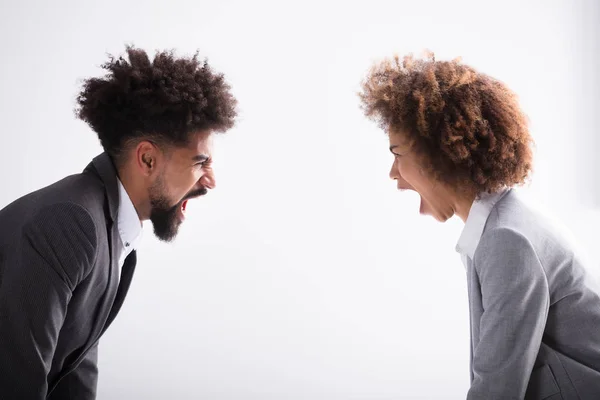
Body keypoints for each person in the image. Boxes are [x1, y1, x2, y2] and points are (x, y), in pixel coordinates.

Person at [0, 45, 237, 399]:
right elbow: (15, 384)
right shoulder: (69, 224)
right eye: (200, 162)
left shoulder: (110, 229)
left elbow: (75, 371)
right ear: (147, 159)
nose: (210, 180)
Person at [359, 52, 600, 399]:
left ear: (438, 154)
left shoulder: (507, 239)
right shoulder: (503, 222)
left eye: (397, 153)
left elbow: (498, 388)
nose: (393, 174)